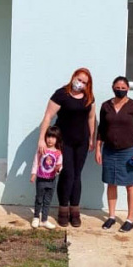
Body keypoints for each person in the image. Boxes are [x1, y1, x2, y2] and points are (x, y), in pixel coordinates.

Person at [38, 67, 96, 227]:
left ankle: (75, 211)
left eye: (84, 82)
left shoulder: (89, 97)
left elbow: (91, 118)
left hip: (82, 142)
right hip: (65, 142)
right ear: (73, 77)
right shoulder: (61, 94)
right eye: (79, 79)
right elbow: (48, 116)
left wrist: (92, 137)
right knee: (67, 174)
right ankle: (63, 210)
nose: (80, 83)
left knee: (77, 175)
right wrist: (42, 139)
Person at [95, 76, 133, 233]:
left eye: (124, 88)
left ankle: (130, 219)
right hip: (109, 150)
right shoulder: (105, 106)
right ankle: (111, 216)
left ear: (128, 89)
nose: (120, 90)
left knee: (129, 184)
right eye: (118, 87)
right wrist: (98, 149)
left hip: (127, 151)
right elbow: (101, 129)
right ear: (112, 87)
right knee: (111, 182)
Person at [31, 126, 64, 229]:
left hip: (52, 180)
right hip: (41, 179)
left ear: (57, 139)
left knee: (47, 201)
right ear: (45, 137)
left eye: (53, 137)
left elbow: (59, 165)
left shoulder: (58, 152)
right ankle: (36, 217)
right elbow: (36, 161)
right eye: (49, 136)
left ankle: (44, 220)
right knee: (39, 199)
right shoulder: (42, 149)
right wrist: (33, 174)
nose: (50, 139)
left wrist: (58, 169)